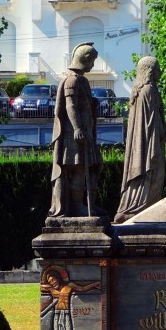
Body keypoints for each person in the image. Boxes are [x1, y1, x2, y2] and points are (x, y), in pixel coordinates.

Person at [48, 43, 103, 219]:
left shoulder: (82, 80)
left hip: (85, 133)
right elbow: (70, 105)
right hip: (74, 135)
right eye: (92, 61)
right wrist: (77, 127)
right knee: (79, 169)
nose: (93, 65)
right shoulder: (72, 80)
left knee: (93, 167)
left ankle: (89, 204)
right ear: (84, 59)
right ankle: (77, 206)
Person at [114, 56, 166, 224]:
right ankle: (142, 207)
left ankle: (138, 206)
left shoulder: (140, 89)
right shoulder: (149, 90)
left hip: (144, 141)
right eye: (157, 68)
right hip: (149, 142)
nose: (160, 72)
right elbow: (153, 119)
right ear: (150, 70)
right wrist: (163, 132)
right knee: (155, 173)